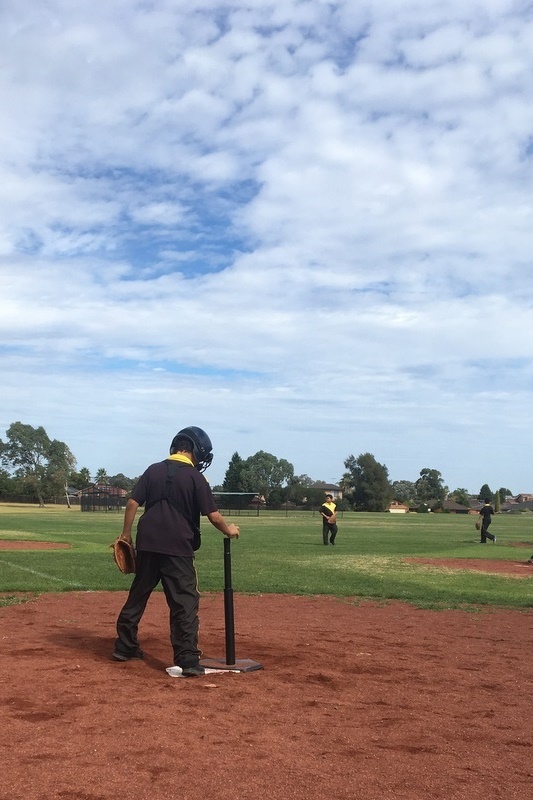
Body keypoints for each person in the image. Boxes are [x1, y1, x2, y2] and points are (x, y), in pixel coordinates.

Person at [113, 426, 240, 676]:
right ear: (194, 451)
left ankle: (124, 646)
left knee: (138, 595)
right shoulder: (195, 477)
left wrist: (126, 534)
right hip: (177, 547)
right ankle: (188, 658)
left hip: (148, 543)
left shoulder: (153, 470)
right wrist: (229, 530)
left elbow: (132, 503)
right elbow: (213, 516)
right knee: (184, 601)